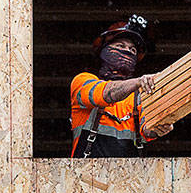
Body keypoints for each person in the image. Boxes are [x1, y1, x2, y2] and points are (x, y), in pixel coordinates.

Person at [69, 14, 174, 157]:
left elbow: (146, 131)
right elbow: (105, 94)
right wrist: (138, 82)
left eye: (132, 50)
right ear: (103, 52)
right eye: (120, 46)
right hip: (87, 176)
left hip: (129, 177)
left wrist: (159, 127)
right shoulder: (82, 81)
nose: (126, 51)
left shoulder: (138, 98)